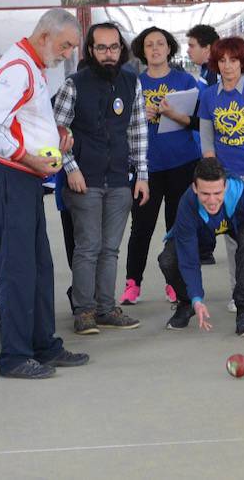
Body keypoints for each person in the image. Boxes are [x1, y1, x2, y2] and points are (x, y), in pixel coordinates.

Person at [0, 8, 88, 379]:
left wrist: (56, 136)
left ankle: (43, 345)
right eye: (65, 44)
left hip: (25, 178)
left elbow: (23, 122)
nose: (68, 53)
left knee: (40, 266)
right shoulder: (17, 70)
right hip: (10, 178)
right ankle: (14, 356)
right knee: (19, 270)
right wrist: (28, 157)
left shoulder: (32, 67)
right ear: (44, 36)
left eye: (72, 47)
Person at [53, 22, 147, 335]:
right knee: (88, 247)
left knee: (110, 249)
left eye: (114, 47)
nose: (109, 54)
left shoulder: (132, 82)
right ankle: (84, 312)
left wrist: (142, 175)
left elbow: (137, 131)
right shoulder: (73, 84)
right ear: (91, 51)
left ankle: (106, 309)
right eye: (102, 48)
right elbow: (57, 131)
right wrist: (71, 168)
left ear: (122, 50)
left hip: (120, 180)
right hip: (84, 181)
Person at [159, 157, 244, 336]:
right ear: (195, 188)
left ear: (225, 187)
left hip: (238, 224)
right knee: (168, 259)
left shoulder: (242, 193)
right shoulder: (187, 204)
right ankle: (187, 303)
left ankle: (243, 310)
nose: (212, 200)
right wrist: (196, 298)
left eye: (217, 193)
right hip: (202, 231)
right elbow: (189, 261)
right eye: (205, 194)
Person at [122, 26, 199, 306]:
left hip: (182, 162)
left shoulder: (184, 80)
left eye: (160, 44)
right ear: (142, 51)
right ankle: (133, 283)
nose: (155, 49)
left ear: (169, 49)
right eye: (149, 45)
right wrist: (140, 115)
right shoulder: (132, 83)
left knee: (176, 226)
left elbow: (196, 120)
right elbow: (121, 124)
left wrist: (171, 113)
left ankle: (173, 282)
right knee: (141, 227)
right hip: (146, 166)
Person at [198, 36, 244, 312]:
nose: (228, 66)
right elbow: (207, 143)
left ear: (243, 62)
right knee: (232, 239)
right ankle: (239, 293)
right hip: (225, 179)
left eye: (233, 60)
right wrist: (218, 180)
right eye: (222, 60)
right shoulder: (208, 96)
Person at [185, 23, 221, 265]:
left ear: (207, 48)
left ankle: (206, 248)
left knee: (211, 194)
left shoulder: (216, 74)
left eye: (192, 45)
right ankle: (204, 247)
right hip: (204, 145)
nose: (188, 50)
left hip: (215, 149)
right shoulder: (205, 73)